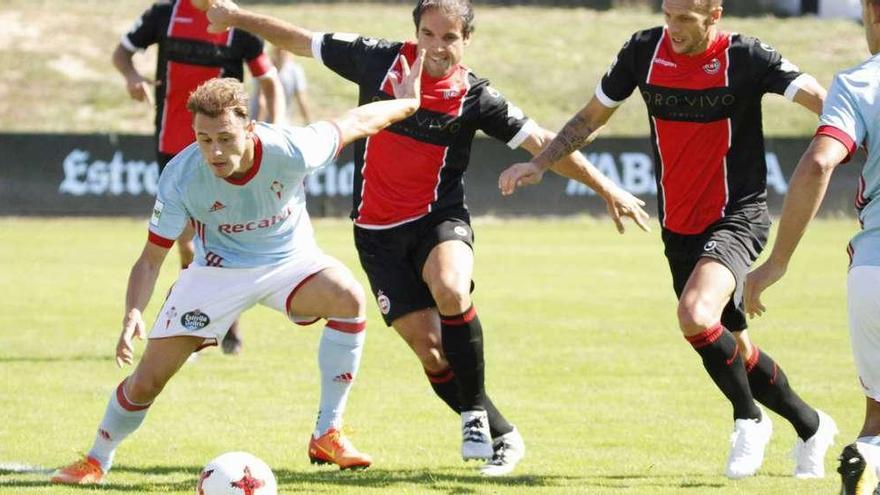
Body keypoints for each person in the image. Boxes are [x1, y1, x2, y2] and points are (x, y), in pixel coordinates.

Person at [203, 0, 650, 476]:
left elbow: (542, 143)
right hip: (376, 234)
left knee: (452, 287)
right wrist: (236, 15)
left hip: (438, 219)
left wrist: (606, 187)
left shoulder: (477, 96)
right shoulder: (378, 60)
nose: (438, 47)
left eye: (450, 37)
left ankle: (473, 415)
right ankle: (503, 433)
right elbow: (302, 39)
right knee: (431, 352)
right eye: (429, 35)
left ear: (466, 40)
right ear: (416, 32)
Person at [501, 0, 837, 480]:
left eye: (686, 18)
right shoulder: (642, 51)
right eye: (668, 15)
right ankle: (812, 425)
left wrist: (860, 135)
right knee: (732, 346)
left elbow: (823, 102)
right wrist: (539, 162)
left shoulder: (747, 57)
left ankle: (749, 420)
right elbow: (591, 117)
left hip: (736, 214)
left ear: (714, 14)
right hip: (678, 224)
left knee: (694, 315)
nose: (673, 28)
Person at [49, 59, 424, 484]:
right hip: (217, 273)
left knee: (349, 298)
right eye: (204, 139)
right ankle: (97, 459)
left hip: (290, 261)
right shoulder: (181, 176)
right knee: (147, 381)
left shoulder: (292, 149)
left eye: (225, 138)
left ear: (250, 129)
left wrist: (407, 103)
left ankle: (327, 432)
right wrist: (133, 311)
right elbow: (152, 256)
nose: (215, 151)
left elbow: (357, 119)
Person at [744, 0, 880, 491]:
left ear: (870, 11)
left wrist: (776, 262)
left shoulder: (860, 83)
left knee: (878, 426)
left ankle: (868, 456)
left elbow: (821, 162)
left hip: (874, 271)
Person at [111, 0, 286, 355]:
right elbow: (121, 53)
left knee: (221, 237)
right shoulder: (164, 15)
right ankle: (200, 322)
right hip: (173, 149)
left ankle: (215, 320)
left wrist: (275, 136)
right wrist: (131, 75)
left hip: (226, 153)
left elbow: (270, 82)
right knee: (187, 241)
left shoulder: (237, 23)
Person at [252, 46, 313, 124]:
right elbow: (262, 102)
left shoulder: (295, 71)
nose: (281, 51)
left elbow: (301, 100)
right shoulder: (264, 68)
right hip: (268, 123)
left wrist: (308, 122)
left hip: (280, 123)